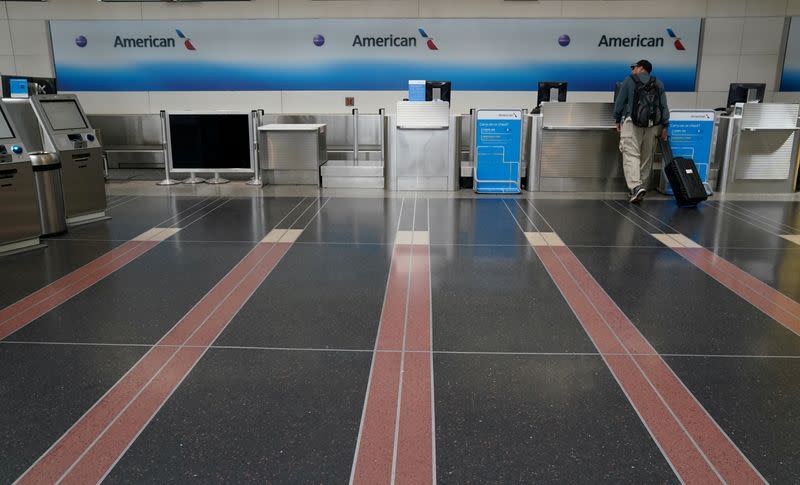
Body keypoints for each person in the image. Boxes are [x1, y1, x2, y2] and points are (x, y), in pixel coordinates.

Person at [614, 59, 670, 203]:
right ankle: (642, 187)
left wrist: (617, 119)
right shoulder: (659, 83)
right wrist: (665, 126)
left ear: (641, 68)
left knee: (631, 154)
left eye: (634, 67)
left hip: (632, 122)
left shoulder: (629, 80)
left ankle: (635, 187)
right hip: (653, 125)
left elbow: (620, 102)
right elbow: (664, 106)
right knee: (647, 156)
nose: (632, 70)